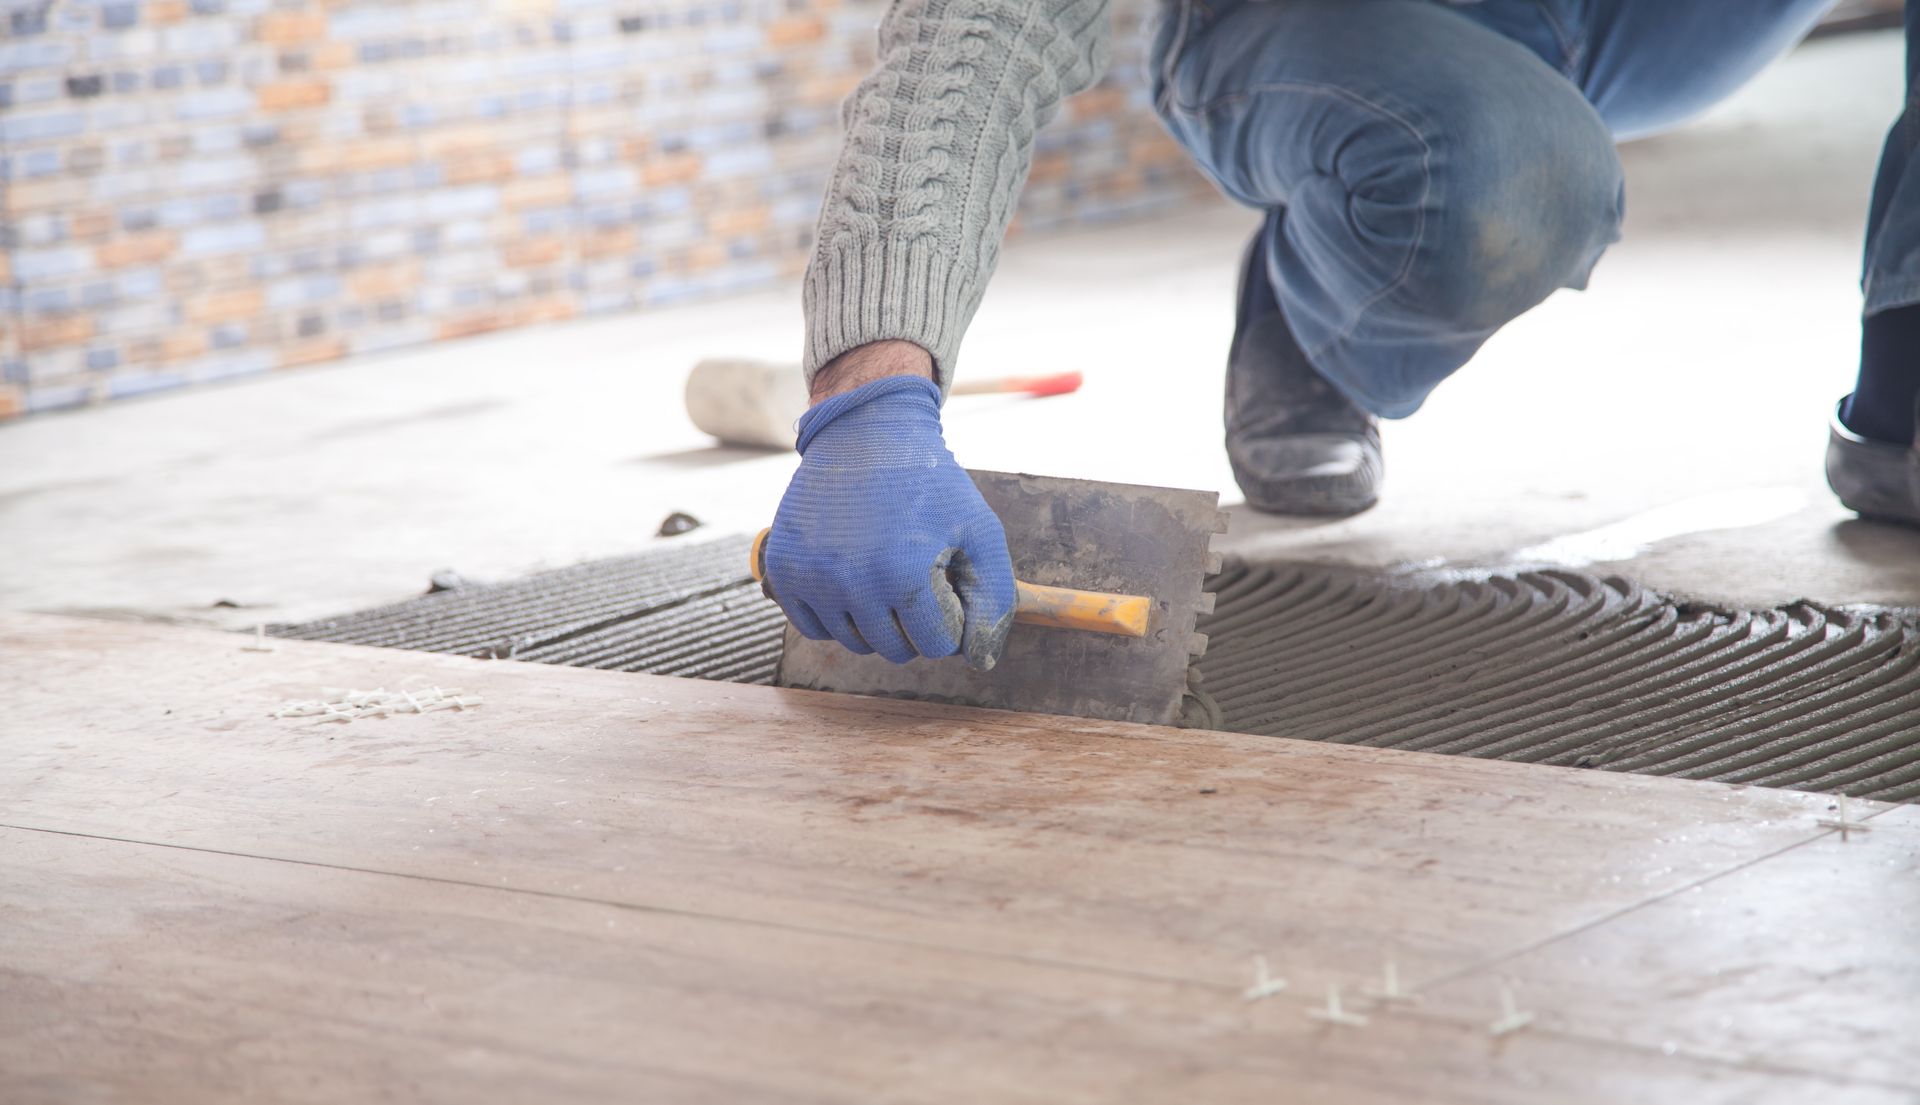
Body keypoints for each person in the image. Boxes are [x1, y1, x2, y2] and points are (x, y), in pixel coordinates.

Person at [760, 0, 1920, 672]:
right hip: (1319, 29)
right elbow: (983, 28)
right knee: (1513, 180)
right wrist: (875, 391)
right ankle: (1316, 302)